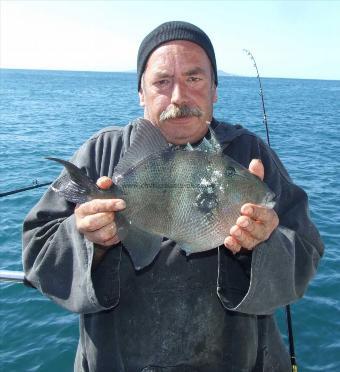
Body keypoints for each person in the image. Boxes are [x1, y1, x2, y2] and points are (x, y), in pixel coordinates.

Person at [23, 21, 324, 372]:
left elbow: (305, 253)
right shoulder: (101, 153)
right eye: (162, 82)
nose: (179, 97)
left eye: (194, 79)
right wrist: (89, 239)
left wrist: (261, 245)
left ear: (214, 89)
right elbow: (37, 254)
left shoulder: (249, 154)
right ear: (141, 93)